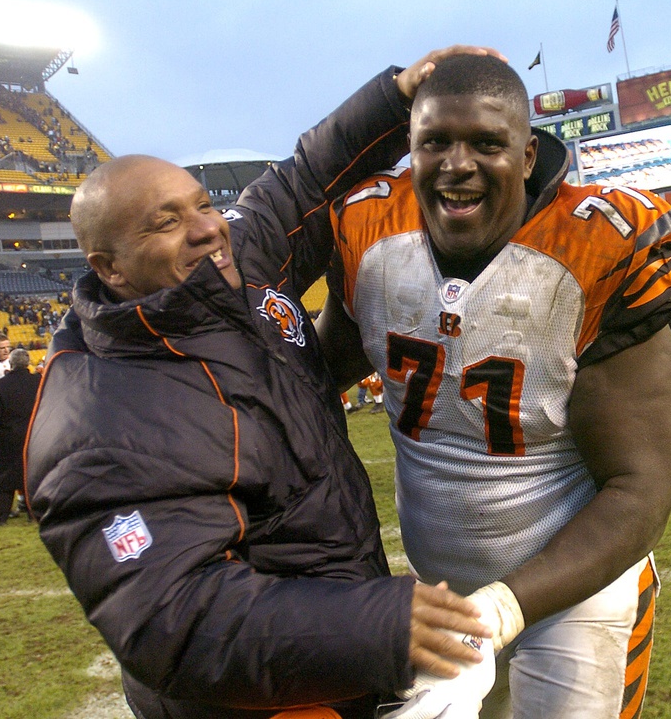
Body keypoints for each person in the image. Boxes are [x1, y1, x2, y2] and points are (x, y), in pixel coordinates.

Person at [25, 48, 500, 719]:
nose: (206, 228)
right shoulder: (93, 418)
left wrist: (396, 96)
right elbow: (174, 617)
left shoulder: (236, 267)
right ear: (111, 267)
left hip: (335, 657)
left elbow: (303, 182)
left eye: (199, 204)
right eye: (165, 221)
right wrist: (372, 626)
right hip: (251, 700)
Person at [318, 54, 671, 718]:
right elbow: (308, 385)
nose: (457, 163)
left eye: (487, 143)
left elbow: (639, 490)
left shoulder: (592, 251)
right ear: (410, 150)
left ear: (525, 155)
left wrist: (503, 605)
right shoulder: (370, 234)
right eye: (435, 142)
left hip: (577, 588)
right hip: (441, 593)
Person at [0, 349, 41, 526]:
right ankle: (35, 513)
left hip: (9, 439)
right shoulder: (40, 382)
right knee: (35, 476)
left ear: (11, 364)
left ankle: (0, 516)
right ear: (28, 362)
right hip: (36, 436)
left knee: (4, 480)